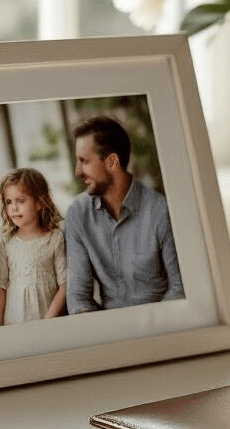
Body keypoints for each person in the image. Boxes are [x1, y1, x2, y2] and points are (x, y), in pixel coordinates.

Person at [64, 115, 184, 313]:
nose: (78, 171)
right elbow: (78, 296)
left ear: (112, 162)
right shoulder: (78, 213)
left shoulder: (160, 209)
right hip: (109, 327)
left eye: (84, 161)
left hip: (159, 321)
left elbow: (179, 288)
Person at [0, 167, 67, 325]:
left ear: (40, 203)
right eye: (9, 202)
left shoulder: (54, 239)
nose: (14, 207)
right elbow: (1, 287)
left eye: (21, 200)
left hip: (49, 324)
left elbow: (64, 286)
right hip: (14, 324)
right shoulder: (7, 243)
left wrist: (48, 321)